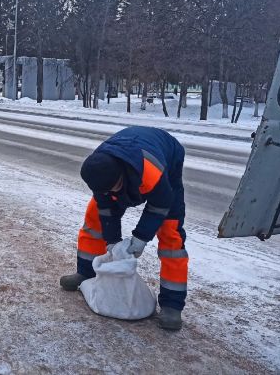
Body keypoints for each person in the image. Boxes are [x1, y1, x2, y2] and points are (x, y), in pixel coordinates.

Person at [60, 126, 188, 330]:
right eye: (105, 190)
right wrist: (112, 241)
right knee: (94, 217)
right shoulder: (100, 169)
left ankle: (172, 305)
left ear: (121, 176)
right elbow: (106, 209)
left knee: (170, 234)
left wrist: (140, 238)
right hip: (129, 155)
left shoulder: (150, 172)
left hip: (166, 159)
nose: (109, 192)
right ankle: (87, 274)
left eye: (113, 188)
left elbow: (160, 204)